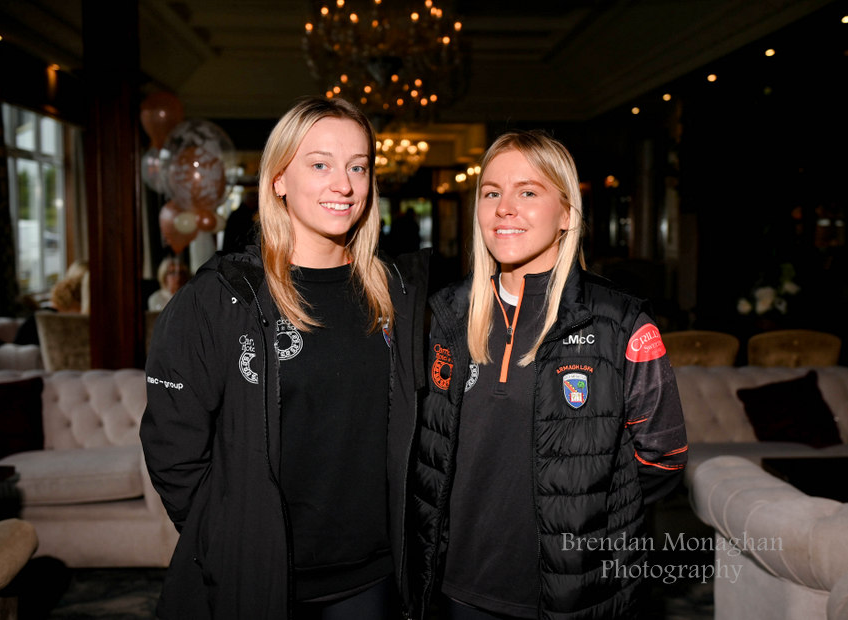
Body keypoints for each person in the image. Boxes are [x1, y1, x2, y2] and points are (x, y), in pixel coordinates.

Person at [140, 96, 429, 619]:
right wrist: (229, 539)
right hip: (258, 578)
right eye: (319, 164)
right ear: (278, 179)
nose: (343, 184)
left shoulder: (397, 293)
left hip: (372, 577)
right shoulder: (219, 298)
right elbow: (172, 447)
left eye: (357, 167)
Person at [410, 130, 688, 619]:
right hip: (455, 588)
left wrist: (587, 522)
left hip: (572, 596)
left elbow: (663, 459)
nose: (504, 208)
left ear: (566, 213)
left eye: (529, 192)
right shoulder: (446, 316)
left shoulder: (619, 323)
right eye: (492, 192)